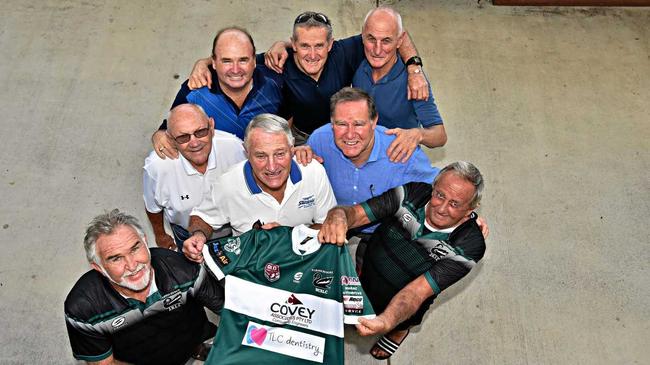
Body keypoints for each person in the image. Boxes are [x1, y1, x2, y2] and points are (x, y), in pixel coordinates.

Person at [318, 161, 487, 360]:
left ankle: (399, 332)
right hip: (368, 268)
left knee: (406, 317)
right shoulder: (412, 193)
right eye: (440, 195)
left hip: (406, 292)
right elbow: (356, 214)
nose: (441, 208)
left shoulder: (470, 245)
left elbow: (416, 293)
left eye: (454, 204)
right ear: (433, 188)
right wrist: (339, 214)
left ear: (470, 209)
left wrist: (387, 321)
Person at [188, 11, 429, 146]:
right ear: (293, 44)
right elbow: (239, 59)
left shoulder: (344, 52)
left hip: (339, 130)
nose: (312, 55)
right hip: (300, 135)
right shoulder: (279, 61)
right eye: (304, 46)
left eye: (319, 46)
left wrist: (414, 68)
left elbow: (396, 36)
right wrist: (204, 63)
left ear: (331, 44)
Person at [64, 209, 224, 365]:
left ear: (146, 242)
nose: (132, 265)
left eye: (135, 248)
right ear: (99, 267)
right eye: (116, 258)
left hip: (192, 339)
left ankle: (197, 348)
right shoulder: (83, 308)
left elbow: (229, 310)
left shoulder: (183, 269)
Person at [200, 224, 375, 364]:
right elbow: (206, 255)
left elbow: (360, 316)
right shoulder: (261, 240)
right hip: (240, 354)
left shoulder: (337, 252)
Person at [182, 113, 337, 263]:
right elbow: (202, 217)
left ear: (292, 149)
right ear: (247, 152)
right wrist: (198, 234)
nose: (272, 166)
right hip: (252, 271)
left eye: (280, 154)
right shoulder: (228, 183)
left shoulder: (313, 171)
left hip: (302, 263)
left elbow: (329, 225)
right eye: (261, 156)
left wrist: (289, 236)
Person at [152, 27, 283, 158]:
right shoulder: (194, 91)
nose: (235, 69)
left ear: (254, 60)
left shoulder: (275, 83)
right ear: (213, 63)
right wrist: (159, 135)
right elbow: (169, 128)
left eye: (243, 60)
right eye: (227, 61)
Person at [143, 103, 245, 251]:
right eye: (183, 137)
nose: (195, 143)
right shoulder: (157, 167)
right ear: (171, 139)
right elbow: (153, 207)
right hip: (186, 234)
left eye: (201, 132)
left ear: (211, 126)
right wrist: (161, 235)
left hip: (234, 230)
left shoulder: (236, 148)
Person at [353, 6, 447, 163]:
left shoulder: (414, 82)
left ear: (400, 41)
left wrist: (417, 134)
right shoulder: (355, 62)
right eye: (371, 39)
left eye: (386, 41)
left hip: (396, 161)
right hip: (362, 156)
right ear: (362, 36)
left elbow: (440, 136)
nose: (377, 49)